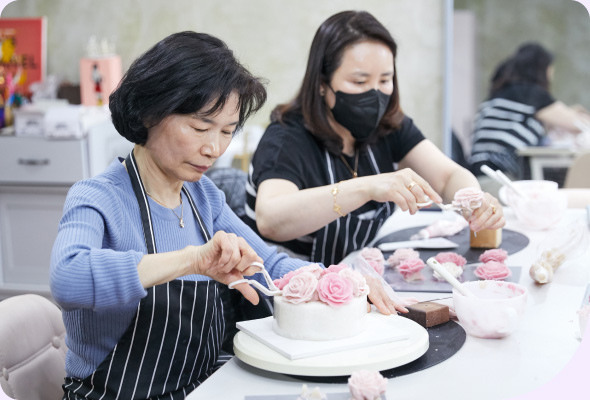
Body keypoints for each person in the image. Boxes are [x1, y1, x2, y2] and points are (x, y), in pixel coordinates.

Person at [50, 31, 399, 399]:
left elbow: (269, 264)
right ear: (149, 111)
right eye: (201, 127)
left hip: (203, 387)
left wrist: (344, 281)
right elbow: (67, 279)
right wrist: (192, 260)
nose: (214, 148)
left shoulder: (204, 197)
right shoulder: (98, 197)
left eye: (227, 132)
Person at [244, 11, 504, 267]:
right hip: (284, 291)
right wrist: (367, 188)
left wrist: (473, 200)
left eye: (385, 79)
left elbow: (447, 177)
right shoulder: (286, 138)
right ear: (322, 83)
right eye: (359, 81)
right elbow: (271, 220)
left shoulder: (389, 125)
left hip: (356, 280)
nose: (375, 93)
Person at [469, 42, 590, 196]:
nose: (552, 74)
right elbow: (578, 123)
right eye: (550, 68)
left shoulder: (502, 94)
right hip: (497, 180)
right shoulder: (530, 94)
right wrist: (577, 113)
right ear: (541, 69)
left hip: (476, 176)